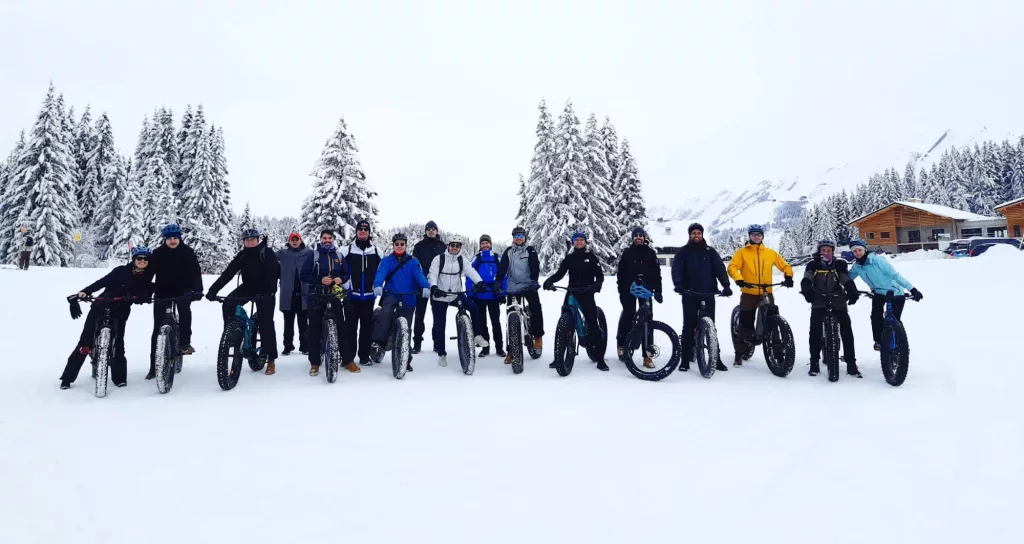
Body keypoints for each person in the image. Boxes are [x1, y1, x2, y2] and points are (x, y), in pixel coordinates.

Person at [60, 247, 154, 389]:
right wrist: (84, 292)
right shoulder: (120, 271)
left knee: (118, 343)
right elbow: (102, 282)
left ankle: (119, 378)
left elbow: (147, 292)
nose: (142, 261)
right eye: (139, 258)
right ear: (134, 259)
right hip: (102, 305)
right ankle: (67, 378)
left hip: (121, 310)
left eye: (145, 259)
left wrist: (141, 297)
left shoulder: (147, 277)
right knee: (85, 342)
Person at [205, 228, 281, 375]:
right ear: (243, 242)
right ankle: (232, 335)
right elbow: (228, 273)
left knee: (266, 323)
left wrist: (269, 292)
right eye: (247, 240)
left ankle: (271, 358)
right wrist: (213, 290)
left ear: (258, 240)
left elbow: (273, 274)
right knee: (228, 303)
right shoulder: (242, 255)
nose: (250, 242)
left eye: (253, 239)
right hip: (248, 287)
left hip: (265, 290)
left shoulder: (267, 253)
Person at [727, 224, 794, 366]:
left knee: (773, 322)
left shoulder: (770, 253)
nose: (756, 236)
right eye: (753, 234)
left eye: (759, 234)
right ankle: (739, 354)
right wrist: (739, 280)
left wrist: (788, 276)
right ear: (749, 236)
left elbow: (785, 265)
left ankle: (777, 352)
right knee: (745, 324)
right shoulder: (742, 253)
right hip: (749, 292)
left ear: (762, 236)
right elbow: (732, 267)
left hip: (767, 291)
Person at [145, 224, 204, 380]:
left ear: (179, 238)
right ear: (165, 239)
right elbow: (148, 274)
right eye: (169, 238)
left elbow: (196, 272)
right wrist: (144, 292)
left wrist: (198, 290)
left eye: (175, 238)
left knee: (185, 310)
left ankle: (184, 343)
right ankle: (153, 367)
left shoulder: (188, 252)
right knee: (157, 328)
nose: (172, 241)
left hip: (183, 289)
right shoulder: (157, 253)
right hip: (162, 290)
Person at [671, 223, 732, 372]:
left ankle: (716, 359)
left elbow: (719, 268)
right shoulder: (683, 252)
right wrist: (678, 284)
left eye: (699, 233)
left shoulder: (710, 252)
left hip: (708, 293)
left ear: (702, 235)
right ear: (690, 235)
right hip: (689, 294)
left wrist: (726, 285)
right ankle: (685, 359)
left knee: (711, 327)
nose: (696, 235)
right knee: (688, 326)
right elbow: (676, 268)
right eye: (694, 233)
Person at [543, 231, 608, 371]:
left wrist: (597, 285)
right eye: (576, 240)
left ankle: (600, 359)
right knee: (564, 324)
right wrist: (550, 281)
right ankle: (559, 357)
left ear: (585, 242)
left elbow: (600, 276)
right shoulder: (569, 258)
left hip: (587, 293)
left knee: (593, 324)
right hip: (571, 292)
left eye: (581, 240)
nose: (579, 242)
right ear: (573, 242)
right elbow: (560, 274)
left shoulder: (591, 258)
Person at [300, 229, 357, 376]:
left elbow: (346, 272)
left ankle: (348, 360)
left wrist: (341, 279)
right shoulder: (314, 255)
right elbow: (304, 275)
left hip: (334, 295)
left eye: (329, 238)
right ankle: (314, 363)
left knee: (341, 328)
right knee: (314, 330)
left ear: (333, 239)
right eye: (324, 238)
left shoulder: (338, 255)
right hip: (316, 295)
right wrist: (320, 280)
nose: (327, 240)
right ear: (320, 239)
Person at [848, 239, 923, 351]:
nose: (857, 253)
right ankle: (878, 341)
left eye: (859, 250)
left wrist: (912, 289)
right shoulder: (857, 267)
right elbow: (848, 279)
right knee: (875, 316)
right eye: (854, 251)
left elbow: (895, 275)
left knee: (895, 320)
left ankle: (900, 346)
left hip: (894, 293)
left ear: (865, 249)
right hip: (878, 293)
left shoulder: (877, 260)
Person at [371, 233, 432, 371]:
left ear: (406, 245)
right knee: (385, 315)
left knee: (407, 328)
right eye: (397, 244)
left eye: (402, 244)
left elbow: (419, 275)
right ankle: (378, 342)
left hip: (408, 297)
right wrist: (378, 285)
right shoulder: (387, 261)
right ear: (393, 245)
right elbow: (380, 273)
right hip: (391, 295)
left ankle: (406, 359)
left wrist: (425, 286)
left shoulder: (413, 261)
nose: (399, 246)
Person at [801, 240, 861, 377]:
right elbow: (807, 279)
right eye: (823, 250)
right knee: (815, 331)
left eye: (829, 250)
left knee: (846, 330)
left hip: (837, 299)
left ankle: (851, 363)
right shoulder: (813, 264)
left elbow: (845, 279)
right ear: (819, 251)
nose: (826, 253)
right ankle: (814, 363)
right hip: (819, 299)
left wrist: (852, 291)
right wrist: (806, 291)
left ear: (833, 251)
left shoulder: (839, 264)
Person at [428, 236, 489, 367]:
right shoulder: (439, 259)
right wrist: (434, 288)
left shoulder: (462, 259)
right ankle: (442, 354)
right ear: (448, 246)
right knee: (440, 325)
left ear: (460, 247)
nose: (454, 248)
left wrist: (479, 282)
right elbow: (432, 275)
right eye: (452, 245)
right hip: (440, 295)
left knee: (473, 307)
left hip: (455, 294)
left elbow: (470, 271)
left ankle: (477, 334)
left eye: (457, 246)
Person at [615, 227, 663, 367]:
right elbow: (621, 274)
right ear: (632, 238)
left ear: (644, 237)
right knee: (628, 315)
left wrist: (659, 291)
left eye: (640, 235)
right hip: (628, 291)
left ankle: (647, 356)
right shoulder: (627, 253)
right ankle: (622, 346)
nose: (638, 237)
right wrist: (621, 291)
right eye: (635, 235)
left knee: (648, 320)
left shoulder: (650, 253)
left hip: (646, 291)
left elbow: (656, 274)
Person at [496, 226, 544, 361]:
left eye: (521, 236)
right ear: (513, 238)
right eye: (516, 236)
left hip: (529, 285)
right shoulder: (508, 251)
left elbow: (535, 266)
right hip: (512, 286)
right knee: (510, 316)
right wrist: (498, 281)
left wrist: (534, 281)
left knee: (536, 308)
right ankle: (511, 351)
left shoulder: (530, 250)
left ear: (525, 237)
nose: (519, 238)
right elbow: (502, 268)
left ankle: (538, 336)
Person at [341, 220, 382, 366]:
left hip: (369, 297)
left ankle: (364, 357)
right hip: (352, 296)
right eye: (360, 229)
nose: (363, 231)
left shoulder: (376, 251)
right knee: (350, 328)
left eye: (366, 229)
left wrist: (377, 286)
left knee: (366, 328)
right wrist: (346, 285)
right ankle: (348, 357)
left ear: (369, 232)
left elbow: (381, 272)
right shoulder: (347, 250)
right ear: (356, 232)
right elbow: (341, 270)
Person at [467, 234, 506, 358]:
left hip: (494, 296)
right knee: (482, 323)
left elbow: (504, 276)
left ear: (490, 244)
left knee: (496, 323)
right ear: (480, 245)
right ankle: (485, 348)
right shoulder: (476, 259)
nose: (485, 245)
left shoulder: (496, 258)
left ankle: (499, 348)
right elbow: (469, 276)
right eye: (482, 243)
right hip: (480, 296)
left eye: (486, 243)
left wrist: (503, 293)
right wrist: (470, 294)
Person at [411, 221, 446, 354]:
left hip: (438, 285)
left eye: (433, 229)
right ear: (426, 231)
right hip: (422, 285)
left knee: (437, 315)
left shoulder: (443, 246)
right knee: (419, 315)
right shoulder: (419, 246)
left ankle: (436, 342)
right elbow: (415, 265)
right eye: (429, 229)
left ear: (437, 231)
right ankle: (417, 343)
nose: (431, 231)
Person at [276, 231, 312, 356]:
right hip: (288, 294)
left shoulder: (308, 253)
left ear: (301, 240)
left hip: (304, 294)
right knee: (288, 323)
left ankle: (305, 346)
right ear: (289, 241)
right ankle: (288, 345)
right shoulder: (282, 253)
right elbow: (268, 257)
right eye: (292, 239)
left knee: (303, 323)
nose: (295, 241)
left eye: (297, 239)